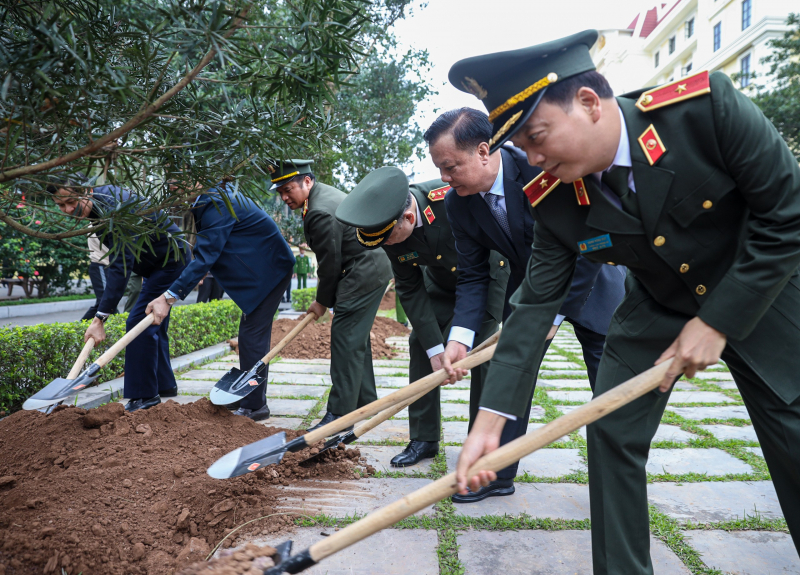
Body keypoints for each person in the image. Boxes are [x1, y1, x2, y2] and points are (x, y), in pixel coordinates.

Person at [451, 30, 800, 572]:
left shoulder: (704, 111)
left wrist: (718, 320)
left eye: (538, 136)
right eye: (522, 149)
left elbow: (786, 217)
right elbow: (533, 306)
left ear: (589, 103)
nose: (535, 158)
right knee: (610, 430)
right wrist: (490, 422)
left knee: (791, 430)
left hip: (761, 285)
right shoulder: (554, 198)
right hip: (658, 303)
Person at [426, 108, 625, 502]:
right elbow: (473, 275)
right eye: (440, 169)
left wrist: (554, 313)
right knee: (509, 373)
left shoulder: (541, 173)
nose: (445, 178)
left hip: (593, 282)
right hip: (529, 290)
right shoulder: (458, 203)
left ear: (484, 151)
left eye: (451, 167)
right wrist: (460, 338)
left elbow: (586, 246)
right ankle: (495, 473)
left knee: (610, 387)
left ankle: (615, 481)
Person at [335, 167, 508, 467]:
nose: (388, 246)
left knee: (483, 353)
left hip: (487, 280)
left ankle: (482, 443)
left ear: (410, 219)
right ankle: (424, 439)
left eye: (388, 240)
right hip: (442, 284)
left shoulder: (450, 198)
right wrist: (435, 348)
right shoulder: (387, 225)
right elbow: (409, 286)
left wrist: (461, 338)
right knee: (420, 343)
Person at [146, 182, 295, 420]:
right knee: (250, 334)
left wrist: (169, 297)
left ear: (196, 179)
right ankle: (248, 398)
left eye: (177, 182)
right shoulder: (209, 200)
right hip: (262, 268)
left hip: (270, 270)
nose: (173, 188)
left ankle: (255, 406)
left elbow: (206, 254)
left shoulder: (217, 203)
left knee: (252, 335)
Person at [48, 177, 187, 413]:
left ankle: (144, 396)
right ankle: (164, 385)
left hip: (170, 262)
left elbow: (121, 265)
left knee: (138, 322)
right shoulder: (100, 206)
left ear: (87, 191)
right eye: (61, 205)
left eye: (71, 201)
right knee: (153, 322)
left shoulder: (114, 210)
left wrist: (100, 318)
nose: (68, 210)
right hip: (157, 263)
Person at [274, 159, 393, 432]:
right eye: (280, 191)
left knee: (345, 341)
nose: (284, 197)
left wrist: (322, 302)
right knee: (354, 340)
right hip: (369, 267)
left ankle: (339, 416)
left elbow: (330, 264)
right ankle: (365, 402)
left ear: (307, 181)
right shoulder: (319, 196)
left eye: (288, 189)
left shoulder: (318, 211)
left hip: (362, 271)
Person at [81, 234, 112, 320]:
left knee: (105, 301)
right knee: (105, 301)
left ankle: (81, 325)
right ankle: (80, 325)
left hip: (106, 266)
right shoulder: (96, 227)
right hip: (100, 265)